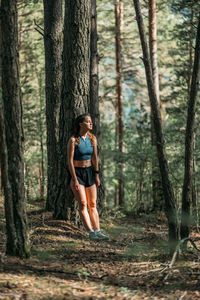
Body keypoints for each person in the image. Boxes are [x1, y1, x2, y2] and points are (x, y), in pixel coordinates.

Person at [67, 114, 109, 241]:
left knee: (92, 203)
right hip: (77, 174)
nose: (91, 124)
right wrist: (74, 179)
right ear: (81, 124)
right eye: (88, 122)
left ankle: (98, 231)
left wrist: (96, 175)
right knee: (83, 204)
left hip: (90, 173)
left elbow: (95, 158)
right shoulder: (73, 140)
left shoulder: (92, 139)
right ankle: (90, 232)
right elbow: (69, 161)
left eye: (91, 122)